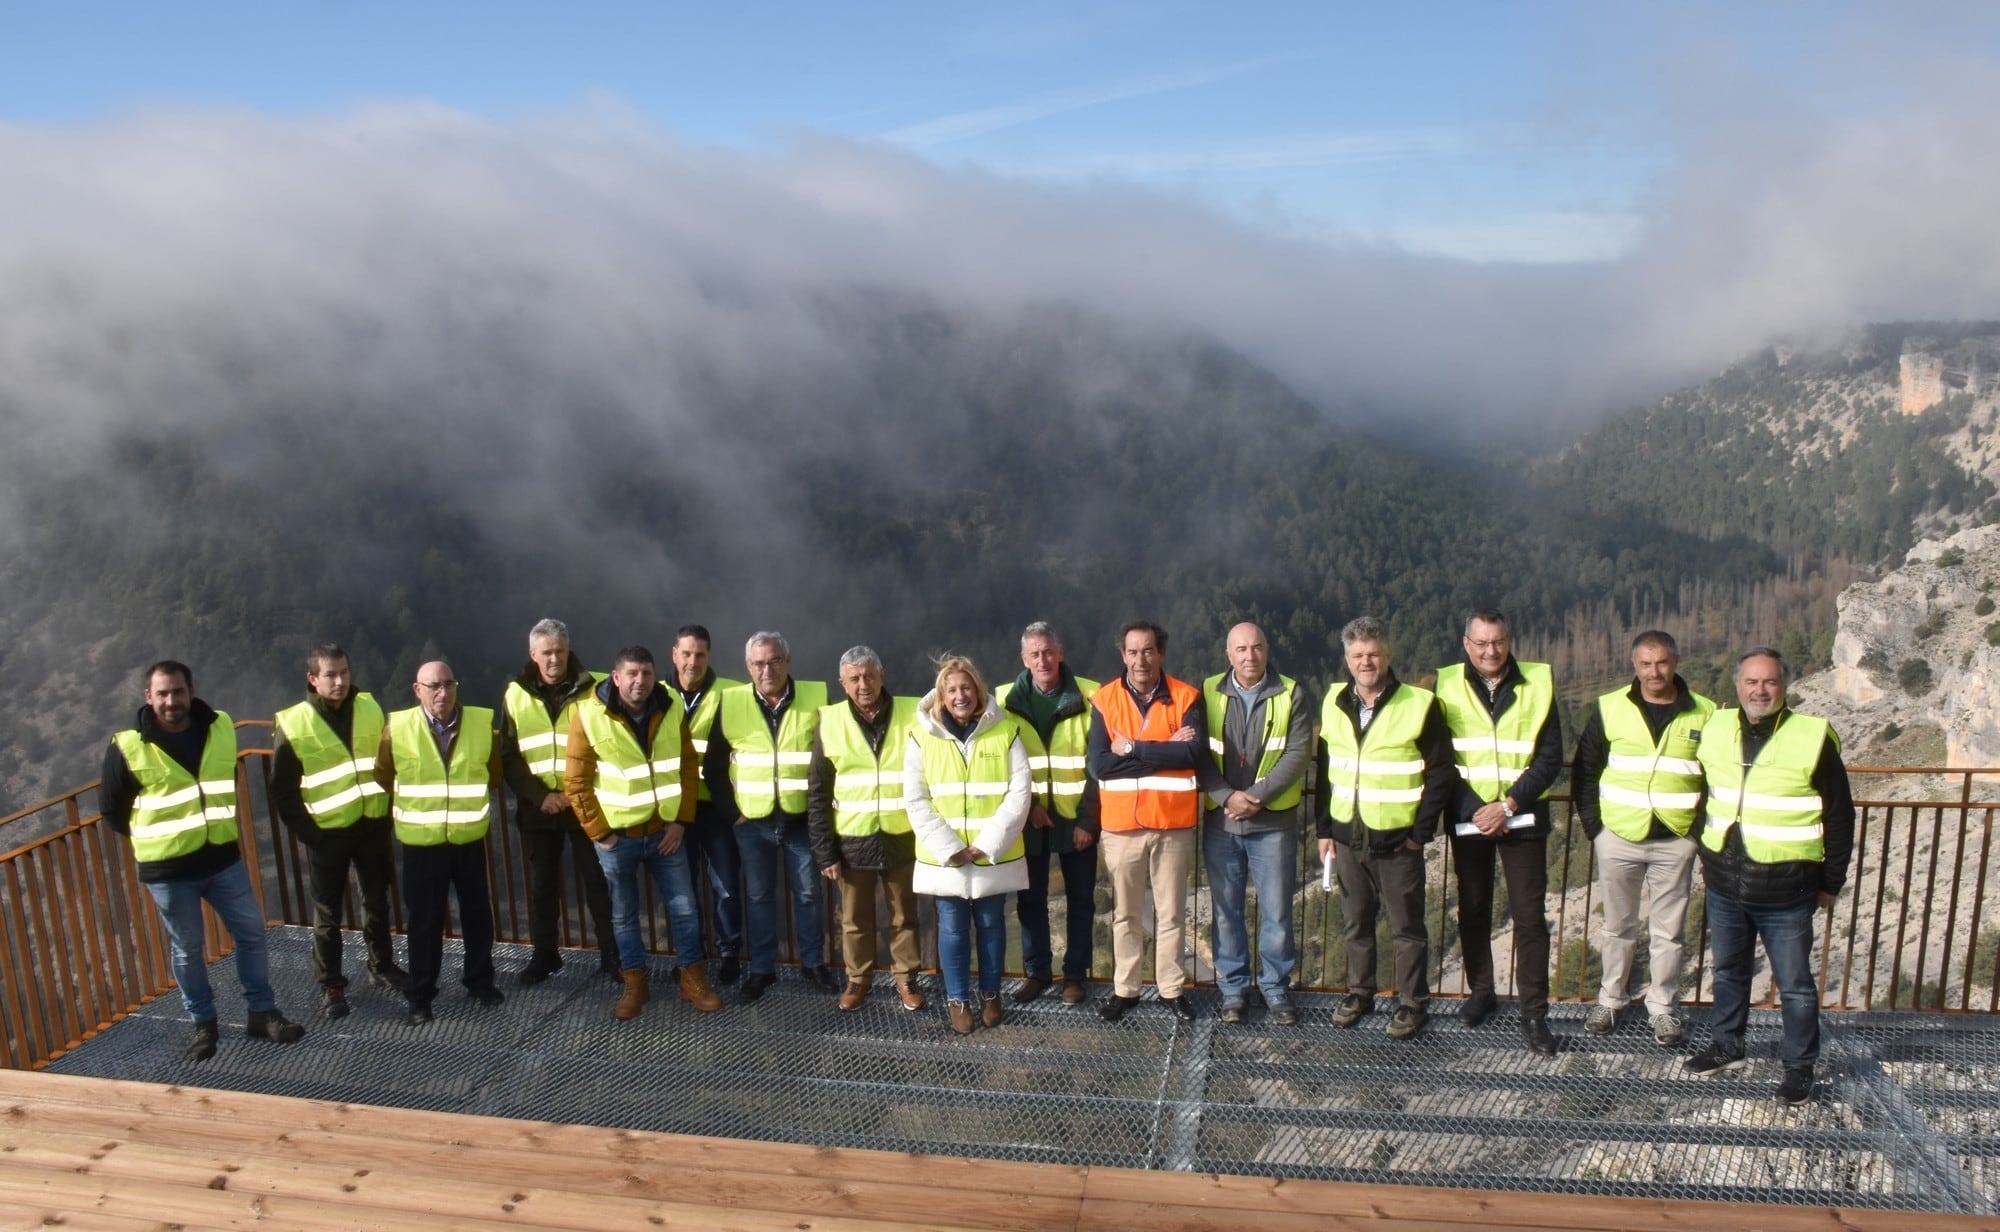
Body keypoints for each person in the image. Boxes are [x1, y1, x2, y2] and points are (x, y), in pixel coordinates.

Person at [101, 661, 305, 1061]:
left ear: (190, 691)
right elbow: (112, 809)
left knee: (251, 933)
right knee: (187, 949)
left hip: (221, 859)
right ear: (148, 697)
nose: (171, 701)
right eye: (162, 694)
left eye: (177, 692)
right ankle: (203, 1025)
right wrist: (157, 839)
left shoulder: (220, 726)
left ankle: (261, 1013)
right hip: (170, 871)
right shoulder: (128, 745)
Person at [1685, 647, 1854, 1106]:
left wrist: (1830, 883)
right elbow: (1704, 792)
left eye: (1770, 682)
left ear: (1785, 686)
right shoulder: (1717, 727)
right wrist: (1705, 851)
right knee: (1728, 972)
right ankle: (1728, 1046)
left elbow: (1839, 817)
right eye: (1751, 682)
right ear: (1738, 685)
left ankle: (1799, 1068)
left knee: (1796, 986)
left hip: (1787, 890)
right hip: (1725, 883)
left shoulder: (1811, 738)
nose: (1760, 690)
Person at [1573, 630, 1715, 1046]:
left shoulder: (1705, 712)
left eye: (1662, 663)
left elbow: (1716, 778)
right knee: (1618, 926)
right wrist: (1595, 829)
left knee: (1668, 931)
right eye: (1645, 664)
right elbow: (1585, 770)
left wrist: (1695, 833)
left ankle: (1663, 1009)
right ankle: (1611, 1000)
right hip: (1618, 835)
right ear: (1634, 666)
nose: (1655, 672)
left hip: (1676, 837)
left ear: (1676, 661)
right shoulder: (1610, 707)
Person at [563, 645, 722, 1019]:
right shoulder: (587, 715)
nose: (640, 681)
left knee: (684, 910)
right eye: (631, 674)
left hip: (665, 833)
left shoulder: (669, 709)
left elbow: (686, 766)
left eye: (646, 673)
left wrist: (680, 821)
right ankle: (635, 982)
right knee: (624, 914)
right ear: (615, 678)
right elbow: (576, 782)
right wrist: (601, 834)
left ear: (654, 676)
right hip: (617, 838)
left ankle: (692, 978)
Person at [1317, 618, 1456, 1039]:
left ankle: (1412, 1003)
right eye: (1357, 655)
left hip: (1399, 840)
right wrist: (1325, 829)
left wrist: (1420, 832)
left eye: (1373, 654)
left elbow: (1441, 772)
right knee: (1356, 921)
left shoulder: (1418, 704)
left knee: (1407, 927)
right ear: (1347, 659)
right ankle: (1360, 993)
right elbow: (1327, 770)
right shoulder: (1334, 702)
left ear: (1388, 656)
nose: (1366, 662)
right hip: (1348, 836)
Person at [1435, 608, 1563, 1056]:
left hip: (1522, 816)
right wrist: (1477, 810)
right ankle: (1481, 993)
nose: (1491, 651)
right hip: (1470, 815)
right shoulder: (1445, 685)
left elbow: (1550, 758)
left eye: (1498, 641)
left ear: (1509, 640)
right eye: (1481, 643)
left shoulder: (1538, 683)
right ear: (1466, 644)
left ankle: (1534, 1013)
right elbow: (1441, 758)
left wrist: (1507, 805)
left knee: (1529, 917)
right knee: (1472, 908)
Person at [269, 643, 407, 1019]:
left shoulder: (369, 706)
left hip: (371, 823)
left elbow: (386, 761)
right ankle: (331, 983)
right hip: (327, 832)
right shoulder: (295, 722)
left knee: (376, 900)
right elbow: (282, 789)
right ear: (313, 679)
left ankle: (381, 965)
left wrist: (388, 812)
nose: (340, 681)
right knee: (328, 913)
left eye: (344, 672)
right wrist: (310, 833)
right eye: (330, 674)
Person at [373, 661, 505, 1025]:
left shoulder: (480, 724)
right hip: (422, 843)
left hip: (467, 838)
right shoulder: (397, 729)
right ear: (418, 690)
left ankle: (480, 982)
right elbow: (384, 773)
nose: (442, 693)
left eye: (449, 684)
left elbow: (493, 773)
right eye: (434, 686)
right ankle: (420, 995)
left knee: (478, 915)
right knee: (424, 923)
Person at [707, 632, 838, 998]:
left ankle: (813, 964)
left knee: (809, 895)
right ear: (748, 667)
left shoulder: (816, 697)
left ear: (788, 661)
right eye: (759, 663)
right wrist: (732, 813)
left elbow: (831, 759)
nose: (768, 669)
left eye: (775, 660)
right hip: (752, 823)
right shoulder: (731, 702)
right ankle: (762, 969)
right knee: (759, 897)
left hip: (800, 821)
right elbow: (713, 766)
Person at [906, 655, 1032, 1034]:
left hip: (992, 855)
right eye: (951, 689)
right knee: (953, 927)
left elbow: (1020, 792)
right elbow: (916, 798)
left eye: (966, 687)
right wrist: (949, 848)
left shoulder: (1005, 731)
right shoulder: (921, 736)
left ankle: (990, 994)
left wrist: (985, 844)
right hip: (945, 859)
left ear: (978, 689)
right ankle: (958, 998)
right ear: (941, 696)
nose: (960, 695)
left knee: (993, 924)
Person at [1088, 621, 1206, 1024]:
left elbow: (1191, 755)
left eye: (1148, 651)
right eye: (1133, 652)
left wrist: (1133, 749)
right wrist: (1162, 749)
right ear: (1123, 655)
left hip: (1173, 825)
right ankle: (1126, 989)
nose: (1141, 660)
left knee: (1171, 913)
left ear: (1162, 653)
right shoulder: (1104, 700)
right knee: (1126, 914)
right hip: (1121, 827)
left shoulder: (1187, 696)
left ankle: (1171, 989)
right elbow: (1100, 765)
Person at [1199, 622, 1313, 1026]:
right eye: (1241, 649)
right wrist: (1226, 797)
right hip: (1221, 822)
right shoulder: (1208, 690)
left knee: (1278, 910)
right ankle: (1233, 989)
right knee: (1226, 910)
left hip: (1273, 824)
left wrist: (1256, 797)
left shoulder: (1292, 693)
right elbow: (1198, 752)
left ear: (1268, 650)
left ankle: (1275, 987)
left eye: (1257, 648)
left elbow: (1298, 753)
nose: (1250, 656)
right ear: (1228, 654)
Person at [499, 618, 620, 985]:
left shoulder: (596, 688)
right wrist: (541, 796)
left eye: (560, 651)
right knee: (542, 887)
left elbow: (612, 745)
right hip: (540, 808)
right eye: (547, 653)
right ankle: (545, 957)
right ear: (533, 654)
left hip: (586, 803)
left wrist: (576, 793)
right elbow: (509, 756)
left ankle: (612, 958)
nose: (555, 659)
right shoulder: (514, 694)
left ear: (569, 650)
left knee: (598, 884)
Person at [806, 646, 925, 1012]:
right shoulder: (829, 721)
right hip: (852, 839)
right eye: (854, 678)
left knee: (904, 914)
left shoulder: (914, 713)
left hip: (902, 835)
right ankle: (858, 981)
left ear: (882, 676)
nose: (863, 684)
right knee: (854, 919)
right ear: (842, 683)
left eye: (869, 676)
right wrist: (824, 850)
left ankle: (906, 979)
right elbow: (818, 791)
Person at [997, 623, 1100, 1006]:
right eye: (1034, 655)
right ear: (1024, 660)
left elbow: (1098, 765)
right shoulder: (1004, 700)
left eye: (1048, 652)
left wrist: (1089, 822)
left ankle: (1074, 976)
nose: (1043, 660)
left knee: (1081, 900)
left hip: (1078, 820)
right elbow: (1001, 764)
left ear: (1061, 652)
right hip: (1031, 820)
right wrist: (1029, 810)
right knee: (1030, 901)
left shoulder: (1091, 695)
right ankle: (1037, 973)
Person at [665, 624, 746, 985]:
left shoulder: (729, 692)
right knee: (680, 890)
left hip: (716, 809)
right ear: (674, 654)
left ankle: (729, 954)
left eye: (699, 654)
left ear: (708, 656)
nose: (692, 661)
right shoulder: (657, 692)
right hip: (673, 811)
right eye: (686, 653)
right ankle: (689, 956)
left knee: (725, 885)